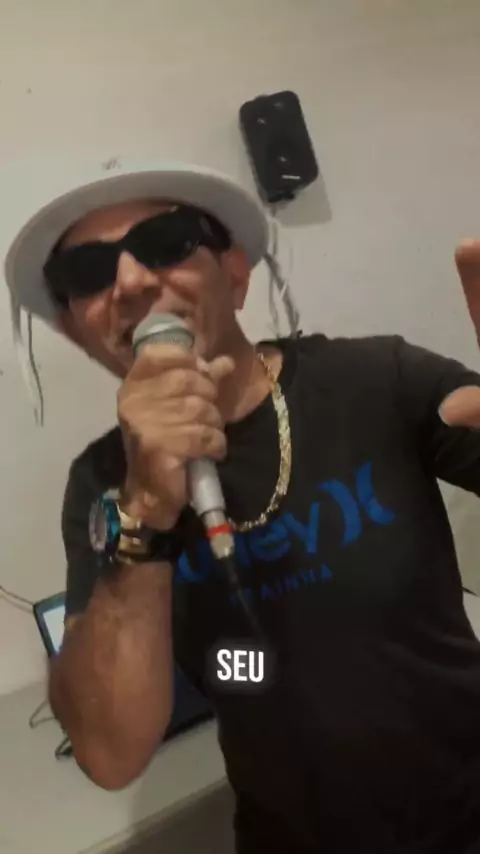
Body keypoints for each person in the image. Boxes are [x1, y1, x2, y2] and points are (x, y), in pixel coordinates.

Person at [5, 162, 480, 854]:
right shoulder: (100, 485)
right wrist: (145, 507)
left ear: (235, 274)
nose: (129, 280)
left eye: (165, 241)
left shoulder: (376, 379)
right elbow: (110, 753)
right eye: (87, 271)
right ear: (78, 329)